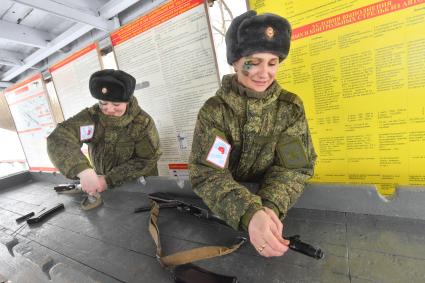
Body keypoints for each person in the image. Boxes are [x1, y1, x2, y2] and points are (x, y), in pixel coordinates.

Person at [189, 11, 317, 258]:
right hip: (221, 213)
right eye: (252, 62)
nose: (264, 73)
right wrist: (248, 212)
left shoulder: (289, 109)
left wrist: (268, 209)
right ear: (235, 62)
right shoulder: (215, 112)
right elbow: (207, 173)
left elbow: (294, 169)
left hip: (271, 214)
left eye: (272, 63)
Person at [47, 69, 162, 195]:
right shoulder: (92, 117)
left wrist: (109, 180)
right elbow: (59, 137)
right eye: (103, 103)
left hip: (139, 188)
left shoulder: (142, 122)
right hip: (103, 188)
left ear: (128, 101)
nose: (109, 109)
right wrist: (83, 171)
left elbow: (148, 159)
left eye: (116, 104)